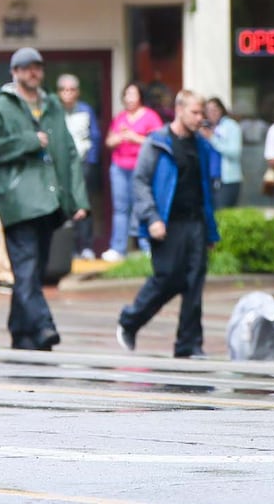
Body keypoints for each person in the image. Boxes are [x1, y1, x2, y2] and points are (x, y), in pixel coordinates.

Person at [0, 47, 90, 350]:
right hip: (18, 200)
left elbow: (68, 151)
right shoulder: (1, 107)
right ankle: (43, 326)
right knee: (26, 267)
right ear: (14, 72)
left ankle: (20, 331)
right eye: (25, 67)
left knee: (33, 270)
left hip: (50, 201)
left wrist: (79, 199)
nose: (33, 72)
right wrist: (27, 141)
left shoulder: (51, 104)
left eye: (37, 67)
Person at [115, 90, 221, 358]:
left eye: (202, 113)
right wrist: (152, 218)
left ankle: (189, 344)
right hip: (166, 223)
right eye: (195, 113)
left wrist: (210, 230)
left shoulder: (201, 145)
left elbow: (206, 188)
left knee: (194, 283)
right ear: (180, 110)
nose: (200, 119)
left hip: (194, 221)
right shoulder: (158, 141)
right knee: (168, 279)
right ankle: (131, 320)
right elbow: (140, 181)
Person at [103, 83, 163, 262]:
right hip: (119, 167)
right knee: (120, 208)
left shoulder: (150, 116)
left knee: (142, 206)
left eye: (133, 94)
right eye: (126, 94)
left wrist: (134, 137)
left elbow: (158, 142)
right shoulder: (120, 117)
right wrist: (118, 138)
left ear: (140, 96)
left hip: (141, 168)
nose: (129, 98)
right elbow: (109, 141)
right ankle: (118, 248)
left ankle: (146, 246)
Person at [56, 74, 103, 261]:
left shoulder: (86, 110)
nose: (68, 93)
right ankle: (70, 248)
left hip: (83, 165)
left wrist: (91, 162)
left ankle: (86, 246)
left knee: (84, 206)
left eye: (72, 89)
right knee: (66, 207)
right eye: (64, 89)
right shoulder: (55, 112)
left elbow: (95, 137)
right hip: (62, 167)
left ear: (78, 92)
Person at [202, 97, 243, 208]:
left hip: (227, 180)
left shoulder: (231, 126)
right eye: (208, 110)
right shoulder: (204, 127)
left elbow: (235, 152)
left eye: (215, 110)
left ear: (221, 110)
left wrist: (213, 138)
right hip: (209, 180)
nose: (212, 114)